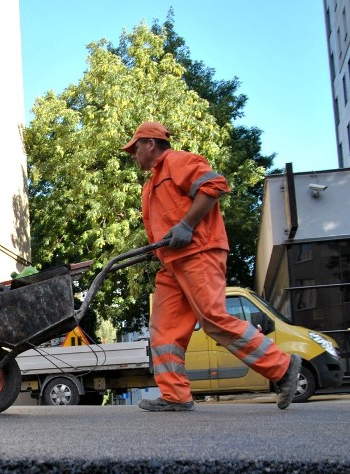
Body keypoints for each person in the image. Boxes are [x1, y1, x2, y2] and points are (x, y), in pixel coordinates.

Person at [122, 121, 301, 411]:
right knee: (164, 330)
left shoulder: (177, 161)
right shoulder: (150, 185)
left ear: (151, 143)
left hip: (198, 253)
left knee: (213, 318)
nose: (133, 154)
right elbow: (164, 223)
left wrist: (187, 225)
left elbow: (214, 185)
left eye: (135, 147)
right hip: (172, 264)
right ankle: (175, 396)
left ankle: (282, 367)